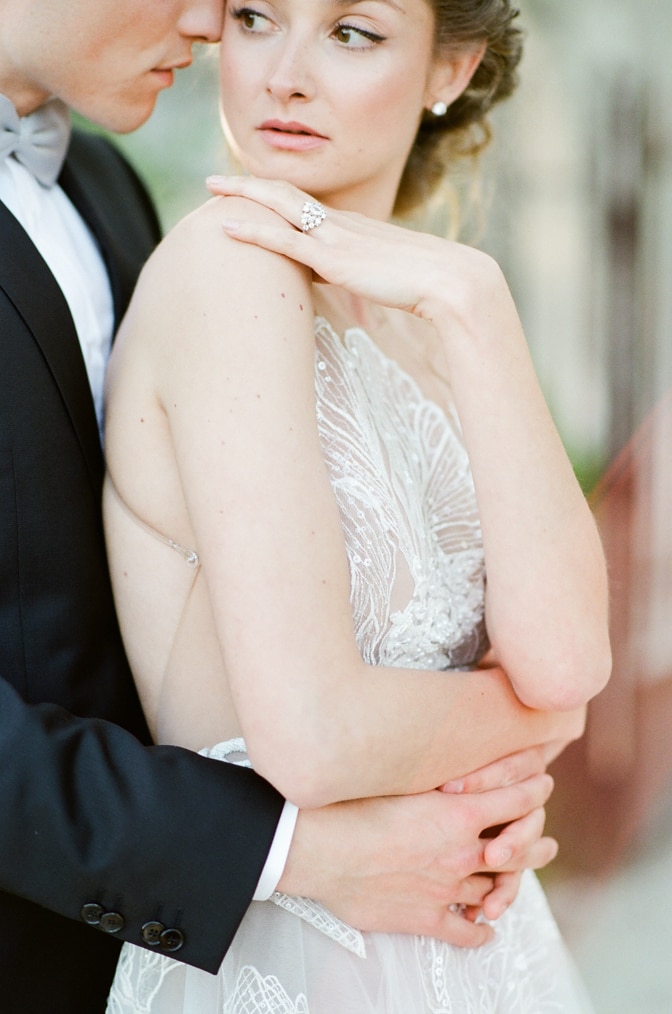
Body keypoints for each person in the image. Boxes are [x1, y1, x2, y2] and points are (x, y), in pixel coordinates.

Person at [0, 1, 567, 1011]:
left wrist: (468, 797)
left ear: (452, 67)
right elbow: (299, 723)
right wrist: (524, 723)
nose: (214, 23)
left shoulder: (104, 187)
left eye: (351, 32)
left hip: (422, 925)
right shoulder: (220, 267)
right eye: (258, 14)